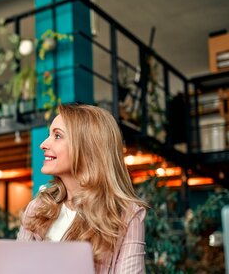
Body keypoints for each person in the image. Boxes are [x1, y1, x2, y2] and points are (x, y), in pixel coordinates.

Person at [17, 103, 147, 273]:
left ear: (87, 147)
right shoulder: (38, 207)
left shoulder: (127, 215)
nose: (43, 144)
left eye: (57, 136)